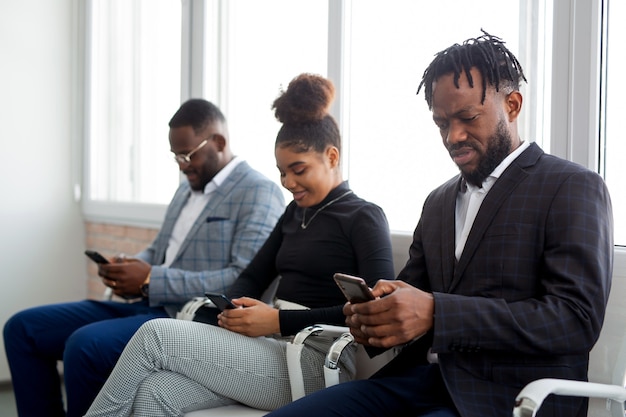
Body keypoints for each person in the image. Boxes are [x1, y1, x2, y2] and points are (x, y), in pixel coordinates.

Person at [264, 31, 614, 417]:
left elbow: (574, 321)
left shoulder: (571, 187)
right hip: (415, 383)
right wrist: (377, 318)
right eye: (441, 123)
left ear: (512, 105)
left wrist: (436, 312)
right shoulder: (439, 201)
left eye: (467, 118)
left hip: (507, 396)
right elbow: (413, 298)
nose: (453, 136)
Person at [83, 73, 395, 417]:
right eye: (281, 171)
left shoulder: (365, 217)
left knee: (155, 335)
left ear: (332, 157)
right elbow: (251, 276)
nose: (288, 183)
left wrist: (278, 320)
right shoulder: (295, 213)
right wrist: (234, 306)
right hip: (274, 347)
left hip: (315, 362)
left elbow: (375, 312)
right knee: (154, 393)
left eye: (299, 170)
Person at [3, 99, 285, 417]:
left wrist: (151, 279)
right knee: (22, 329)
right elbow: (159, 251)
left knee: (86, 345)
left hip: (186, 319)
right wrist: (126, 269)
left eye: (187, 154)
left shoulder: (259, 191)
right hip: (146, 305)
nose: (181, 164)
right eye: (175, 156)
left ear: (218, 142)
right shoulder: (186, 189)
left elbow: (240, 279)